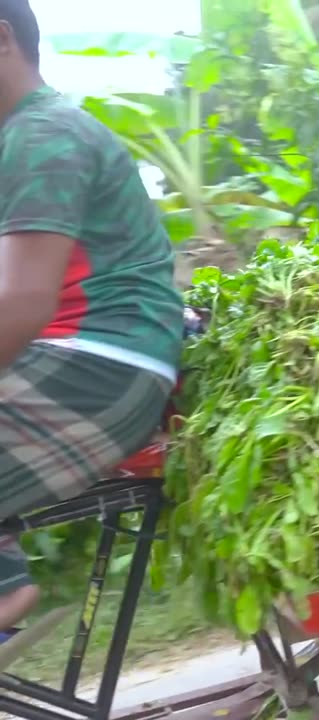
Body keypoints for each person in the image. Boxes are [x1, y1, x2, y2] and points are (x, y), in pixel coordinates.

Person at [0, 0, 183, 639]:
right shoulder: (20, 139)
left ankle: (4, 595)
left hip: (102, 365)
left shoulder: (44, 136)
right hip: (79, 360)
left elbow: (20, 303)